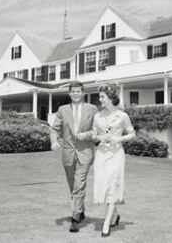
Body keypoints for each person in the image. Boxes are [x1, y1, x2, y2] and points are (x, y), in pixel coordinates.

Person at [77, 84, 136, 237]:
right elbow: (95, 134)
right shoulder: (98, 116)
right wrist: (99, 137)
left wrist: (118, 138)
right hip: (102, 154)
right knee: (104, 186)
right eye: (100, 96)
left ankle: (107, 222)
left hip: (116, 154)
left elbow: (132, 134)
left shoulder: (122, 116)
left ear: (110, 98)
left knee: (112, 185)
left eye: (102, 96)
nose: (100, 99)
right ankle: (115, 214)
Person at [50, 81, 99, 233]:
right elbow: (54, 129)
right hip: (68, 153)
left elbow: (98, 130)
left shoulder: (92, 109)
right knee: (73, 186)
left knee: (79, 184)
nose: (76, 94)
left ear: (83, 93)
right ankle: (81, 209)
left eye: (78, 92)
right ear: (69, 93)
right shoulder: (62, 110)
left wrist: (86, 135)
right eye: (73, 92)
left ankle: (75, 218)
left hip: (85, 152)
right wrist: (54, 141)